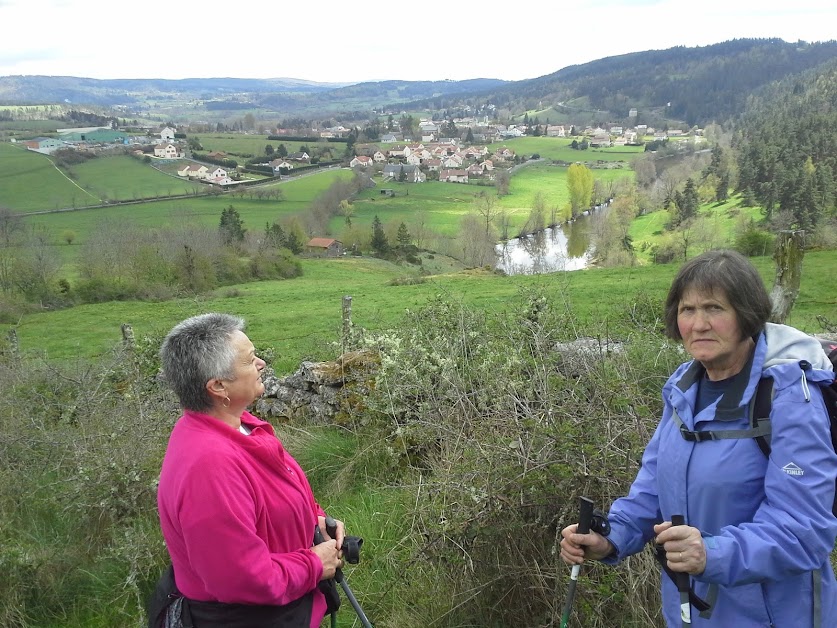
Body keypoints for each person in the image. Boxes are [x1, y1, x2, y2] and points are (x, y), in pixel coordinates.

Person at [560, 249, 837, 627]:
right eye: (687, 310)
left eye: (715, 309)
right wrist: (611, 537)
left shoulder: (790, 397)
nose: (699, 324)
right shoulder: (683, 388)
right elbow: (653, 490)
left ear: (747, 315)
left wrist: (711, 554)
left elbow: (804, 529)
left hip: (775, 615)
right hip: (690, 612)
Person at [152, 312, 343, 628]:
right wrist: (314, 563)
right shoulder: (209, 468)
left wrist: (315, 519)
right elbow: (241, 579)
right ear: (218, 386)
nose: (262, 364)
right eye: (250, 359)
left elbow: (274, 495)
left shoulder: (242, 427)